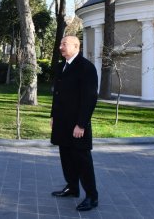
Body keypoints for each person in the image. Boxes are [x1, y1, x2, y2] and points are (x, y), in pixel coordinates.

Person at [50, 35, 99, 212]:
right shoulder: (61, 66)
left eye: (64, 44)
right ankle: (72, 187)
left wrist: (81, 124)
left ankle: (92, 196)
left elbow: (90, 98)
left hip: (77, 125)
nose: (61, 47)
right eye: (61, 43)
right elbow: (57, 95)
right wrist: (53, 116)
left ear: (76, 46)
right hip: (62, 123)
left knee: (82, 161)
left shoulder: (86, 68)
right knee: (66, 158)